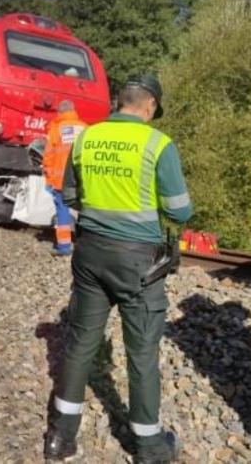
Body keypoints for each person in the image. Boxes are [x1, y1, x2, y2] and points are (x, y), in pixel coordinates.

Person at [44, 74, 193, 463]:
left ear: (119, 101)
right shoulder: (158, 144)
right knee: (141, 352)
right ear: (151, 106)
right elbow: (181, 210)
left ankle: (60, 438)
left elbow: (70, 195)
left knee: (79, 344)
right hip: (139, 261)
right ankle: (148, 446)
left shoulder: (86, 139)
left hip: (90, 253)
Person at [42, 100, 87, 256]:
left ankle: (64, 247)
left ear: (59, 113)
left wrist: (47, 177)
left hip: (61, 180)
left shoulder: (56, 129)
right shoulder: (84, 128)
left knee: (63, 211)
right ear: (73, 110)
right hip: (83, 179)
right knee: (86, 211)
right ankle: (84, 244)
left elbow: (48, 155)